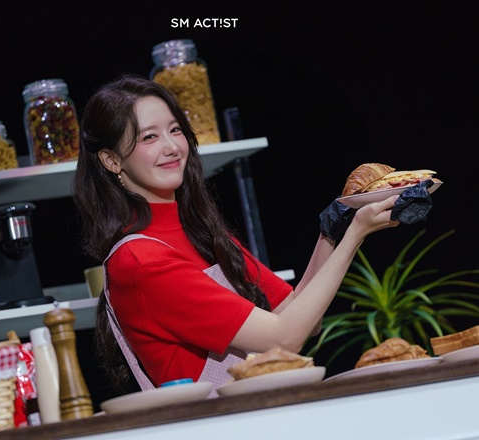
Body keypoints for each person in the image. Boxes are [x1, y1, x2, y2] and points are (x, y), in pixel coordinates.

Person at [73, 73, 400, 397]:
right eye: (149, 137)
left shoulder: (201, 233)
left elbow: (302, 318)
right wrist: (355, 235)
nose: (172, 147)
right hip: (218, 421)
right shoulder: (138, 261)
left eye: (175, 130)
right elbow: (284, 338)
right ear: (112, 160)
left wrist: (332, 231)